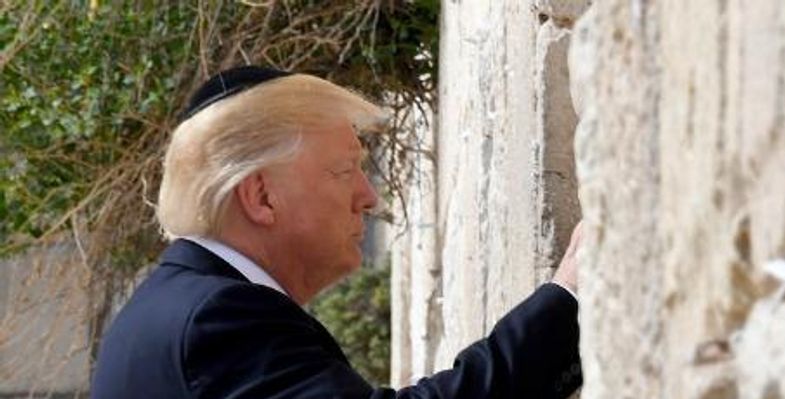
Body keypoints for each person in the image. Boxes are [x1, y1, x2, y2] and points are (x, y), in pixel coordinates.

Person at [91, 66, 584, 398]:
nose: (369, 198)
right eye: (345, 170)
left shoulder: (173, 309)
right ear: (261, 197)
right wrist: (568, 299)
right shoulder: (218, 321)